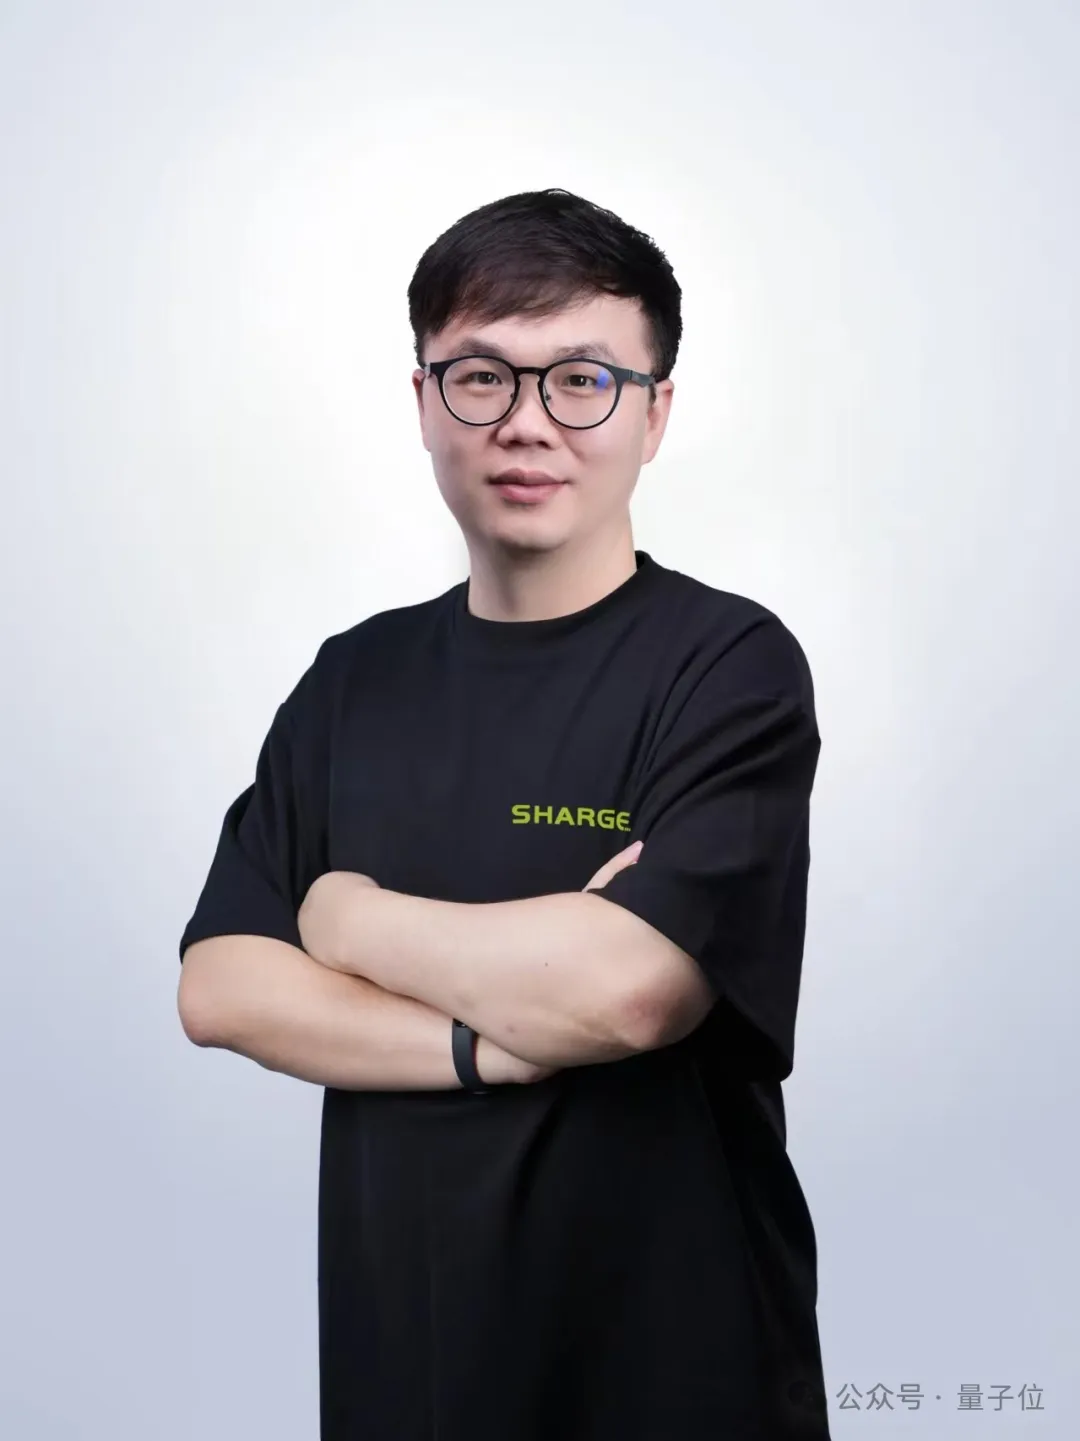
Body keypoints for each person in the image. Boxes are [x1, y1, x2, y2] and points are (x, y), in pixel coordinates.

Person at [177, 187, 831, 1440]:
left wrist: (345, 917)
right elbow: (221, 988)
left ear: (654, 413)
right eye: (481, 377)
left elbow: (630, 992)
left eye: (582, 380)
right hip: (408, 1368)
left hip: (677, 1374)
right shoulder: (353, 681)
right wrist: (492, 1040)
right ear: (425, 401)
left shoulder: (726, 664)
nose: (528, 422)